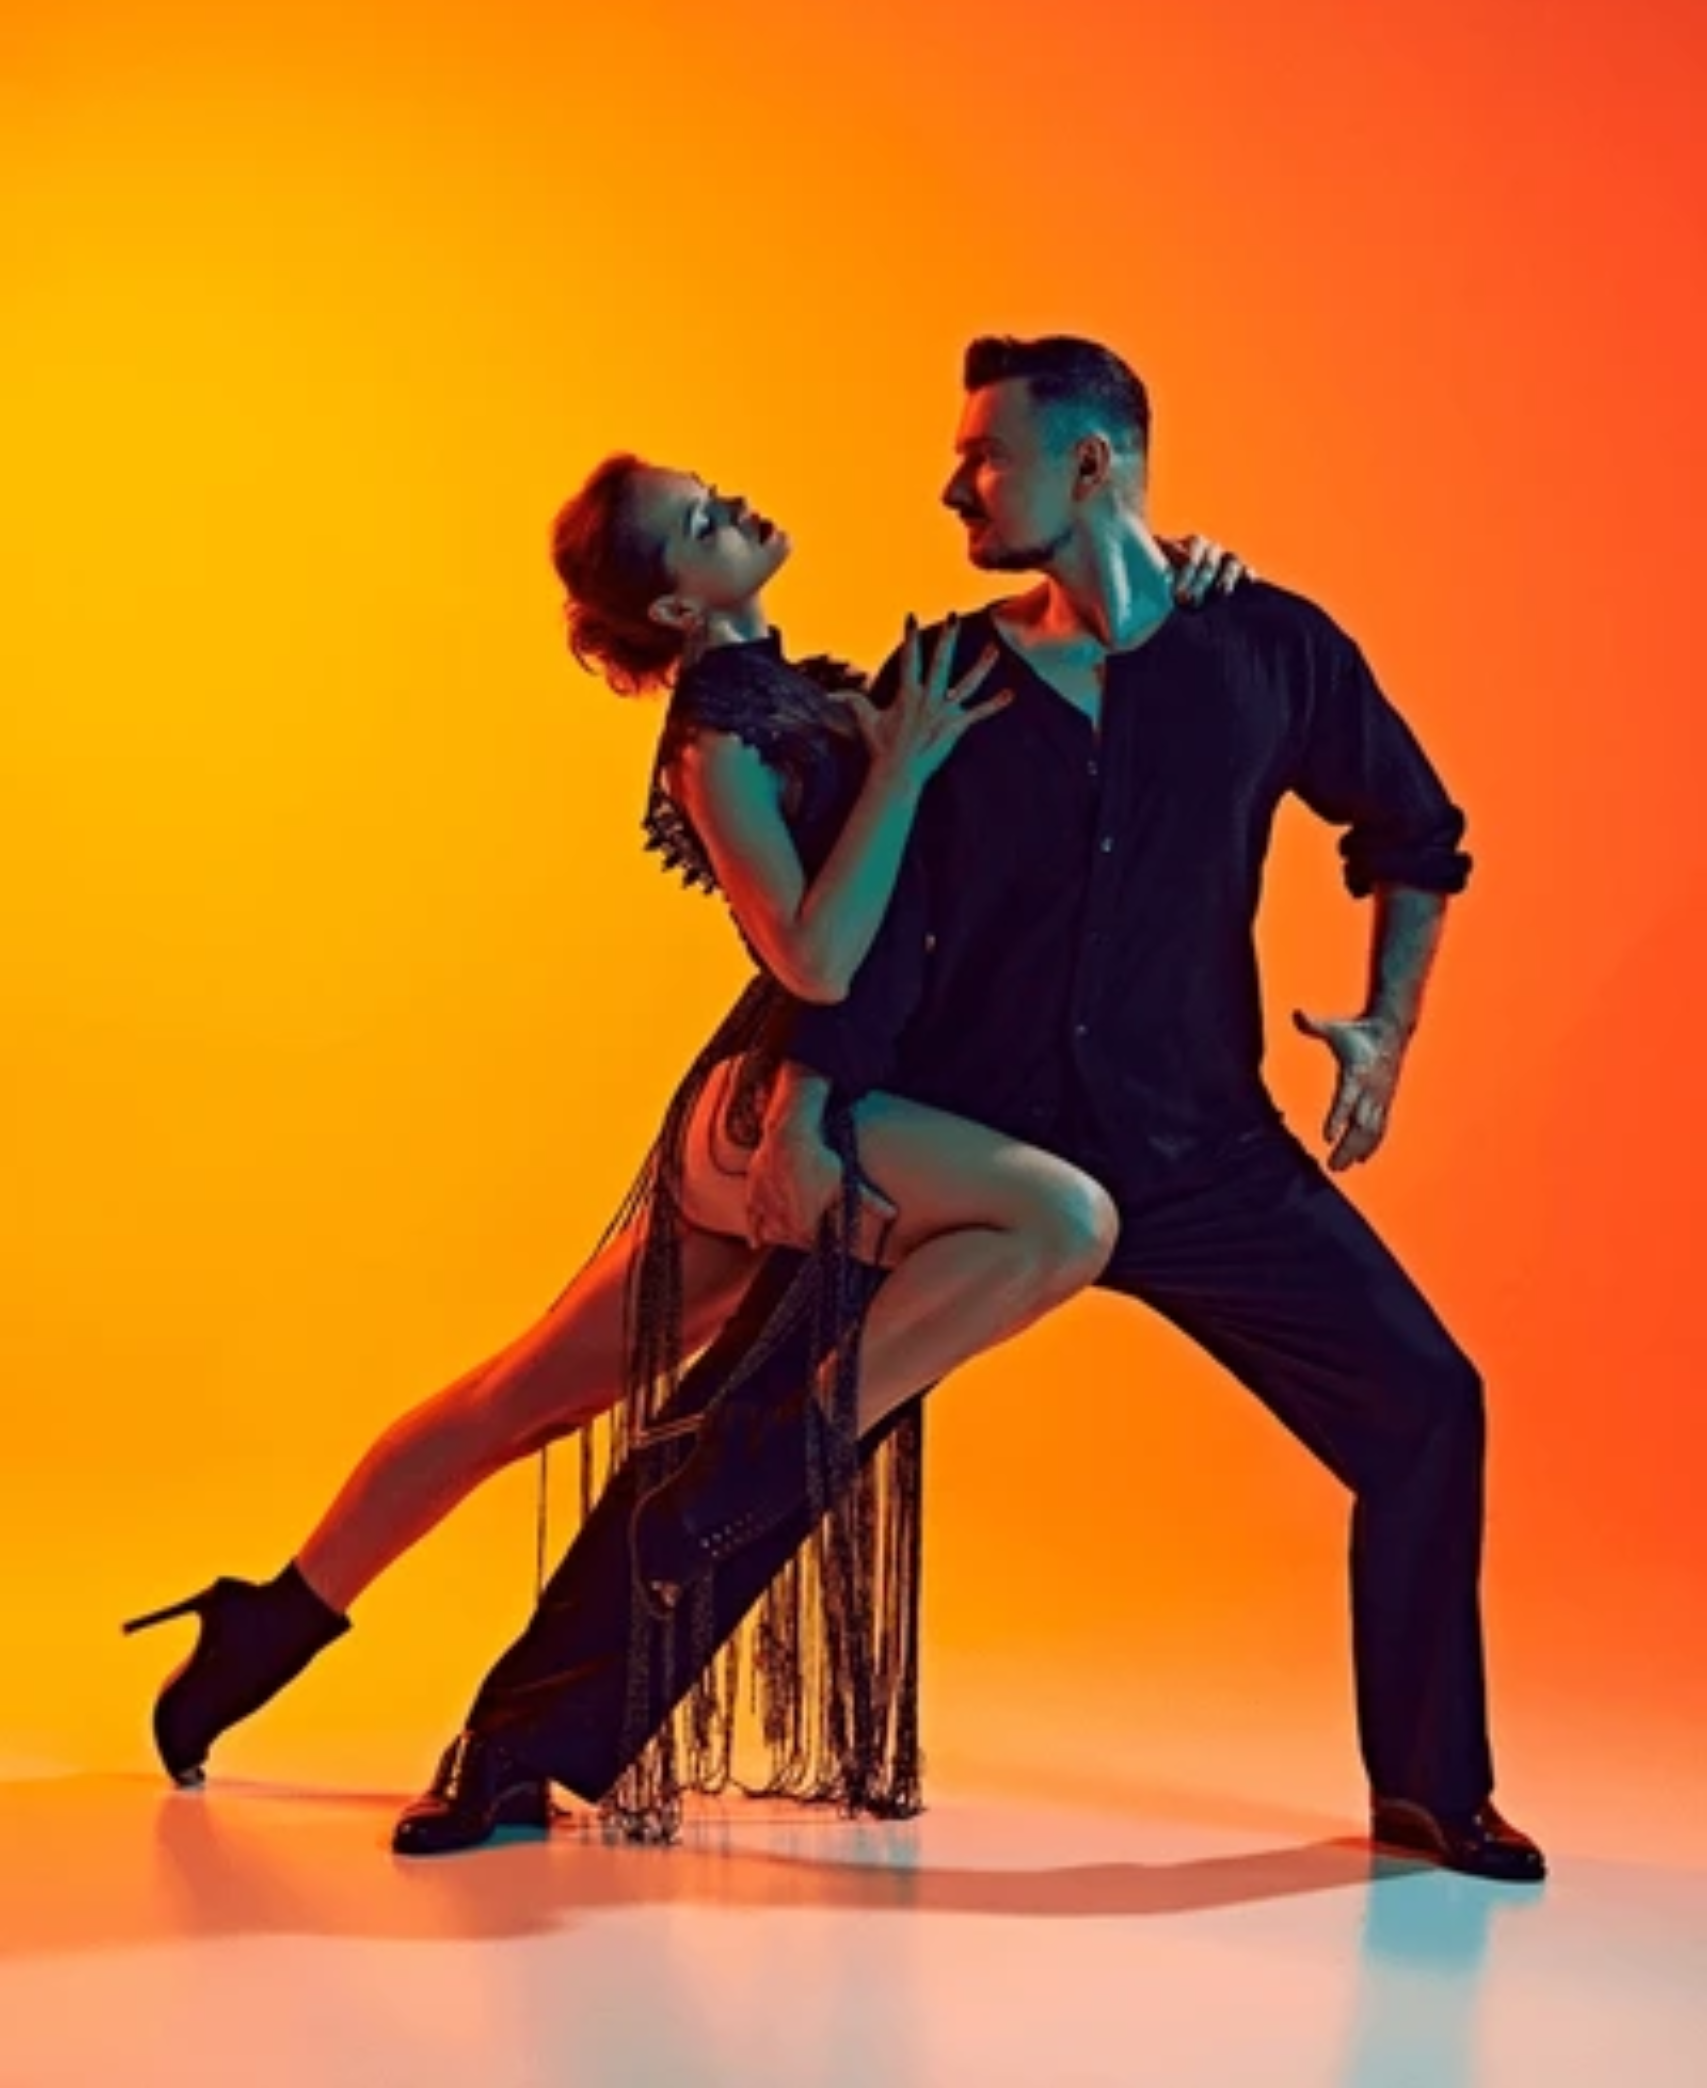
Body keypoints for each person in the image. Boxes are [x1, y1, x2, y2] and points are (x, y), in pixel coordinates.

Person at [419, 333, 1545, 1886]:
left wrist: (1385, 1028)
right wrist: (811, 1104)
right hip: (973, 1148)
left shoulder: (1265, 648)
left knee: (1426, 1404)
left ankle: (1429, 1790)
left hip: (1201, 1152)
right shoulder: (941, 677)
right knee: (748, 1433)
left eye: (984, 458)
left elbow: (1414, 831)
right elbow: (870, 927)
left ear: (1088, 465)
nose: (954, 487)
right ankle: (512, 1752)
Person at [122, 440, 1245, 1837]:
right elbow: (812, 959)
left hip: (820, 1099)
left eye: (713, 490)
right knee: (1056, 1219)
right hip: (763, 1109)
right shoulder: (716, 739)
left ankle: (270, 1618)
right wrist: (898, 775)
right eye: (703, 520)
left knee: (523, 1397)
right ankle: (758, 1459)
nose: (737, 503)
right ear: (673, 607)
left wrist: (1171, 569)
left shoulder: (804, 689)